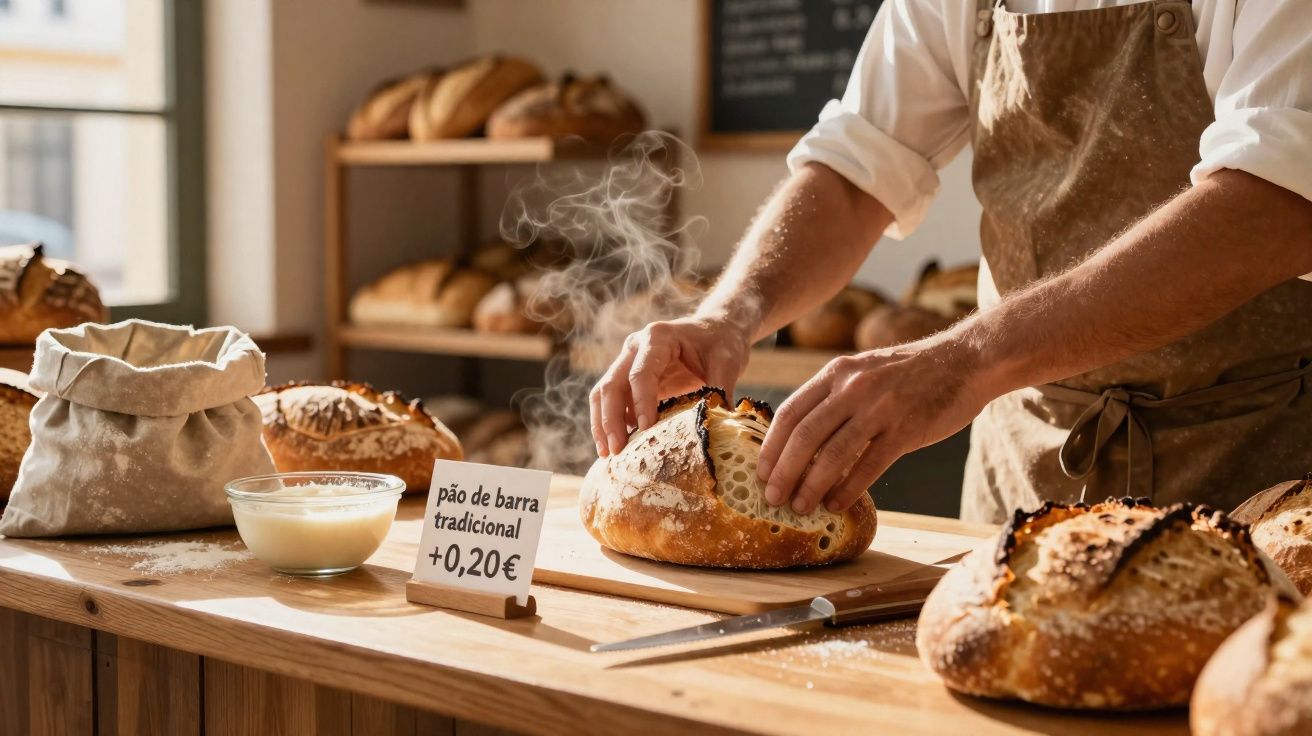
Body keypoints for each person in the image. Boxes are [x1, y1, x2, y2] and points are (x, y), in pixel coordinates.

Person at [591, 0, 1312, 523]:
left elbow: (1273, 207)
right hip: (1023, 476)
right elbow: (857, 165)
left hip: (1255, 475)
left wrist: (965, 359)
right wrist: (728, 315)